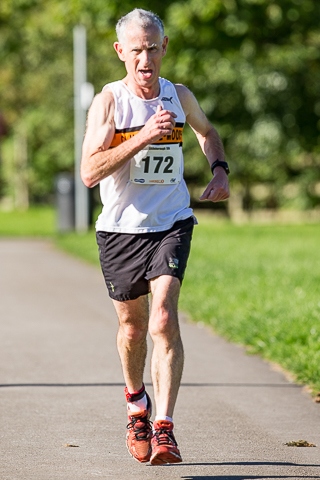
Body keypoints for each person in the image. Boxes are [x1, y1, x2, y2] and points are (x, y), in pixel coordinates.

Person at [81, 8, 230, 465]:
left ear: (164, 48)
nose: (145, 59)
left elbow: (208, 133)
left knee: (163, 318)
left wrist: (219, 169)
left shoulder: (179, 95)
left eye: (152, 48)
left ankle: (164, 428)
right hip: (120, 231)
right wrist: (143, 137)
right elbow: (89, 172)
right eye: (136, 50)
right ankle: (136, 404)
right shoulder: (109, 102)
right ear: (120, 52)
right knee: (132, 328)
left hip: (171, 222)